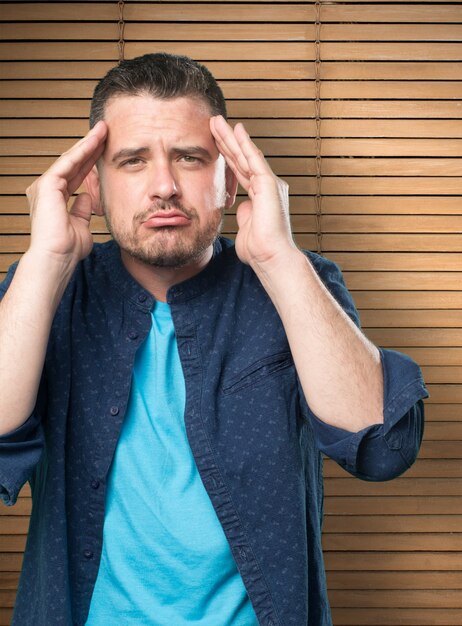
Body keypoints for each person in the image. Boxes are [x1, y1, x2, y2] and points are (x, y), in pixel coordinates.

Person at [0, 53, 427, 625]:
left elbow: (382, 450)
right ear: (93, 185)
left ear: (230, 181)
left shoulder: (298, 282)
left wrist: (278, 257)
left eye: (190, 158)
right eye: (131, 161)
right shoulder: (45, 290)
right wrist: (45, 258)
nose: (164, 187)